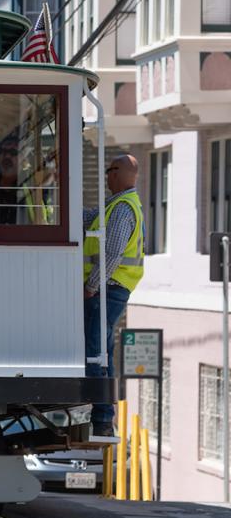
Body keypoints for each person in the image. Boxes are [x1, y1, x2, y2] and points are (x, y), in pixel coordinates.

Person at [83, 154, 145, 437]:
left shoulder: (122, 209)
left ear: (118, 172)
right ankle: (104, 418)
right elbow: (88, 218)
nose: (106, 176)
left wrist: (92, 285)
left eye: (109, 171)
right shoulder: (117, 206)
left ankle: (103, 419)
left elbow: (112, 254)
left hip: (108, 289)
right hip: (112, 289)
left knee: (96, 353)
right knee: (103, 352)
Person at [0, 134, 52, 225]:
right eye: (3, 151)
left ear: (23, 159)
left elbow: (50, 173)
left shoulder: (32, 184)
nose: (7, 156)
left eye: (13, 152)